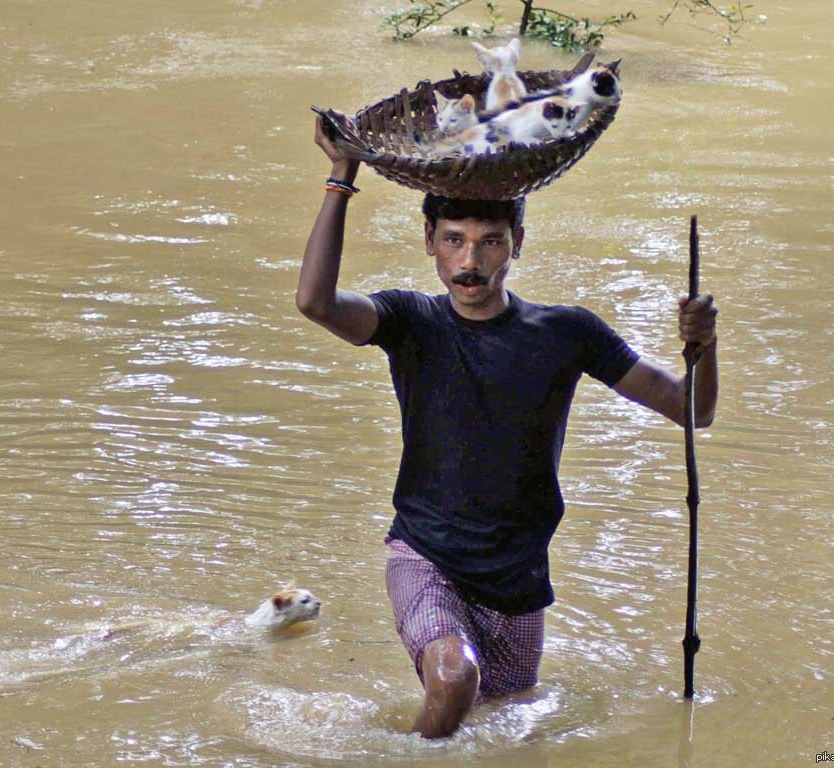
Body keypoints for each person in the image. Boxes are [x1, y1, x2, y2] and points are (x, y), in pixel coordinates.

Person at [296, 116, 719, 739]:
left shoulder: (568, 332)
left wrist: (703, 344)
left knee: (504, 726)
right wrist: (341, 178)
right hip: (425, 554)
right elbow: (317, 303)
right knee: (453, 678)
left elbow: (693, 410)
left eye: (490, 241)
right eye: (454, 240)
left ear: (517, 241)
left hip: (518, 577)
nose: (471, 262)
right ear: (429, 240)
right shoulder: (410, 321)